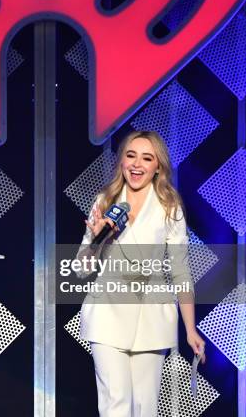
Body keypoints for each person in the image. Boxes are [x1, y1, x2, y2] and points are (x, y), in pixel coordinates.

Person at [76, 131, 206, 417]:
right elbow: (81, 269)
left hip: (152, 317)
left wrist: (190, 328)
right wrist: (98, 240)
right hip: (107, 312)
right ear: (121, 161)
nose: (137, 164)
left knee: (144, 408)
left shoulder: (169, 206)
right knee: (116, 401)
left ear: (157, 166)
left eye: (147, 158)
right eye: (130, 155)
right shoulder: (105, 200)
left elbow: (181, 271)